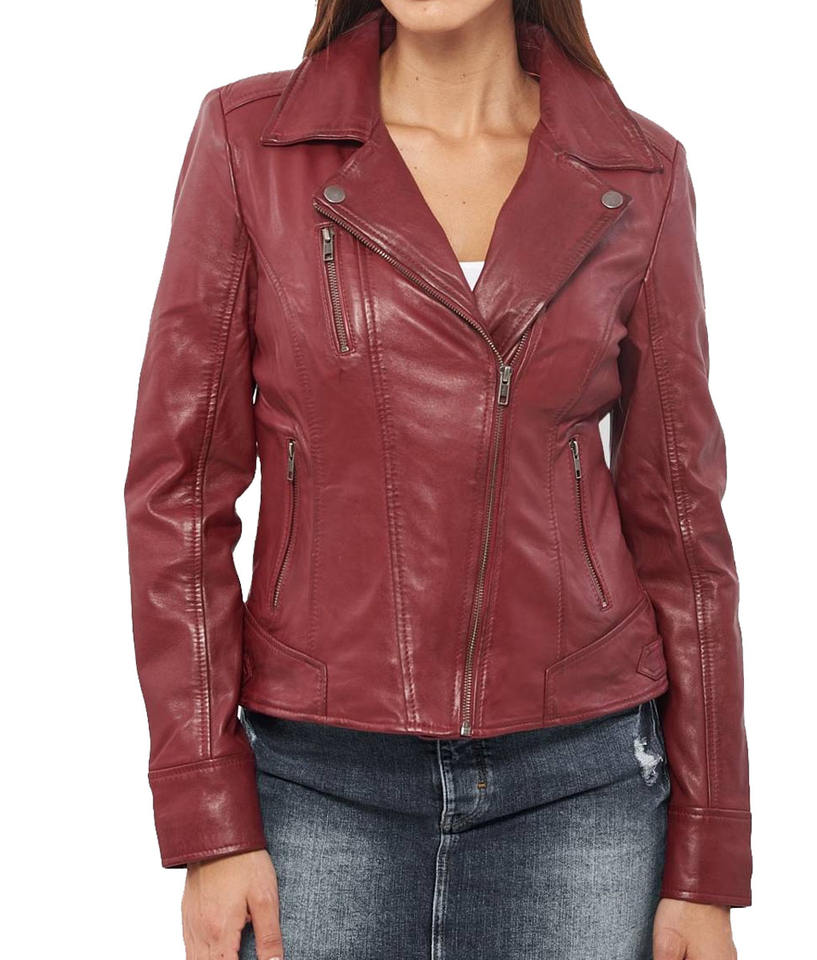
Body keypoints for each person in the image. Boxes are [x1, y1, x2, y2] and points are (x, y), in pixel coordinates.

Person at [123, 2, 751, 958]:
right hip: (314, 783)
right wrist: (208, 815)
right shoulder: (252, 143)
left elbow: (684, 526)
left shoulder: (638, 172)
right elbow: (178, 491)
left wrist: (707, 859)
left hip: (583, 789)